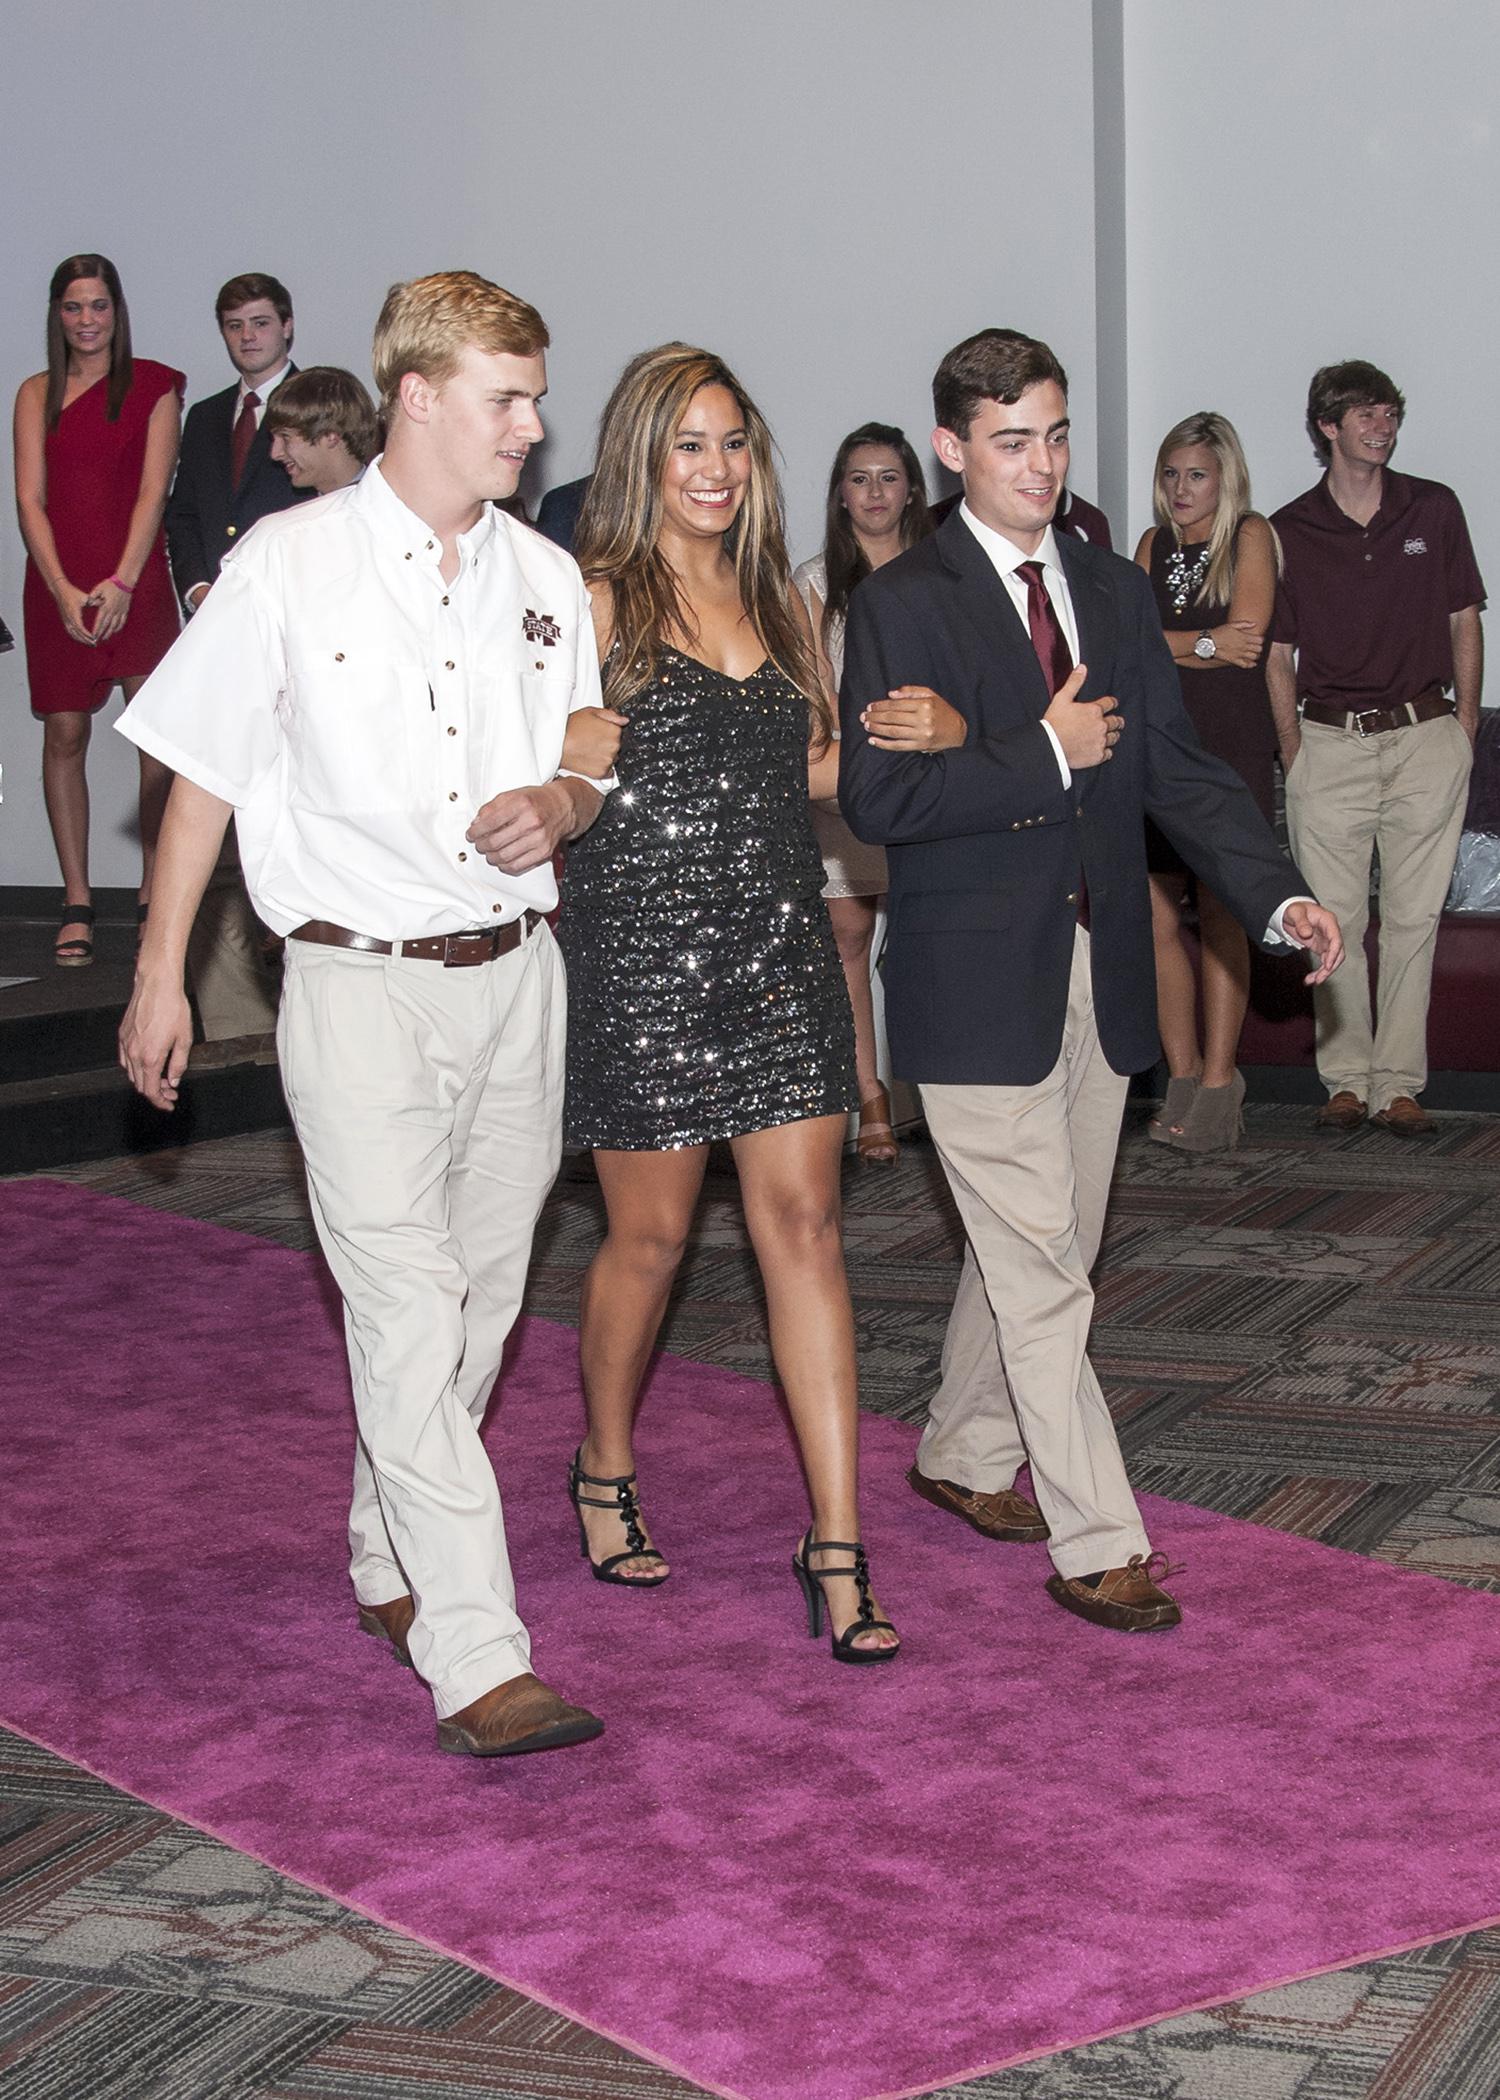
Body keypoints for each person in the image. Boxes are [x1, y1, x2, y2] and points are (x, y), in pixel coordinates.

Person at [118, 270, 611, 1759]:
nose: (533, 424)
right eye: (506, 397)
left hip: (518, 979)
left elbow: (584, 754)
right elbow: (199, 772)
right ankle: (479, 1652)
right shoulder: (288, 560)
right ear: (417, 396)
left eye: (534, 395)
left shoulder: (541, 576)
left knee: (478, 1307)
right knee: (403, 1309)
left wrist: (564, 801)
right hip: (351, 985)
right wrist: (158, 973)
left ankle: (387, 1547)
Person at [839, 328, 1342, 1633]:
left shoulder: (1113, 593)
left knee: (1041, 1247)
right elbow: (886, 796)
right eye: (1012, 441)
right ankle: (1098, 1534)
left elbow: (1178, 773)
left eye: (1056, 436)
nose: (1042, 464)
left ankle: (959, 1448)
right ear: (952, 449)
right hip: (968, 982)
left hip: (1103, 961)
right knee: (1049, 1270)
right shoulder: (901, 600)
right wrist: (1040, 750)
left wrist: (1275, 894)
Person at [556, 343, 898, 1663]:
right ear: (643, 455)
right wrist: (552, 746)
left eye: (733, 444)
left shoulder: (781, 599)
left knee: (805, 1230)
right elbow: (524, 759)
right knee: (648, 1243)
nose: (715, 470)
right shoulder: (591, 601)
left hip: (779, 956)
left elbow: (801, 765)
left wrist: (904, 748)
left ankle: (838, 1546)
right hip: (643, 966)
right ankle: (601, 1462)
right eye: (689, 445)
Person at [1268, 361, 1485, 1137]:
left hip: (1426, 735)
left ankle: (1398, 1084)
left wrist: (1463, 730)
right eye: (1366, 414)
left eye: (1390, 413)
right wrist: (1292, 747)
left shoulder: (1434, 508)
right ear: (1328, 427)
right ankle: (1345, 1082)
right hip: (1326, 743)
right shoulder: (1287, 529)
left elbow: (1466, 617)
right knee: (1331, 921)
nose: (1383, 426)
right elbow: (1274, 651)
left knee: (1413, 920)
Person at [13, 254, 183, 966]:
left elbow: (154, 492)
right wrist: (61, 588)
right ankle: (77, 898)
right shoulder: (34, 393)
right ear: (58, 314)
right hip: (58, 582)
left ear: (118, 310)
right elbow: (29, 498)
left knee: (157, 744)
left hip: (133, 581)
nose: (87, 320)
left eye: (99, 306)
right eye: (74, 307)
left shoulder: (152, 387)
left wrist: (121, 582)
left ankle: (154, 891)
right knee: (65, 737)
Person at [165, 272, 312, 1039]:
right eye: (234, 326)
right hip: (215, 619)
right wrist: (195, 586)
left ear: (287, 327)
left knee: (282, 797)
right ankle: (231, 1007)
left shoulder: (313, 406)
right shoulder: (209, 416)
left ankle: (283, 982)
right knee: (218, 788)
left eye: (260, 323)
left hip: (295, 628)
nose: (248, 337)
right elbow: (184, 512)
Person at [1133, 413, 1282, 1150]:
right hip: (1160, 749)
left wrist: (1186, 647)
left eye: (1196, 474)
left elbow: (1248, 643)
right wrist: (1201, 642)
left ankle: (1223, 1082)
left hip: (1230, 750)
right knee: (1158, 921)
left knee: (1225, 916)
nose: (1181, 488)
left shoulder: (1250, 535)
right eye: (1170, 474)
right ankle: (1184, 1076)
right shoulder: (1151, 547)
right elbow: (1130, 651)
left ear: (1225, 477)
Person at [794, 423, 933, 1163]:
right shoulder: (812, 583)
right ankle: (868, 1094)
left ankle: (936, 1092)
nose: (874, 492)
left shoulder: (948, 571)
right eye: (859, 478)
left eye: (887, 476)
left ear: (912, 488)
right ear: (840, 495)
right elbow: (814, 701)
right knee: (848, 939)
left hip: (931, 783)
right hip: (846, 783)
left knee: (923, 944)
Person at [264, 366, 380, 495]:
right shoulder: (284, 504)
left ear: (330, 436)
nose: (275, 454)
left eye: (285, 437)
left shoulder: (389, 506)